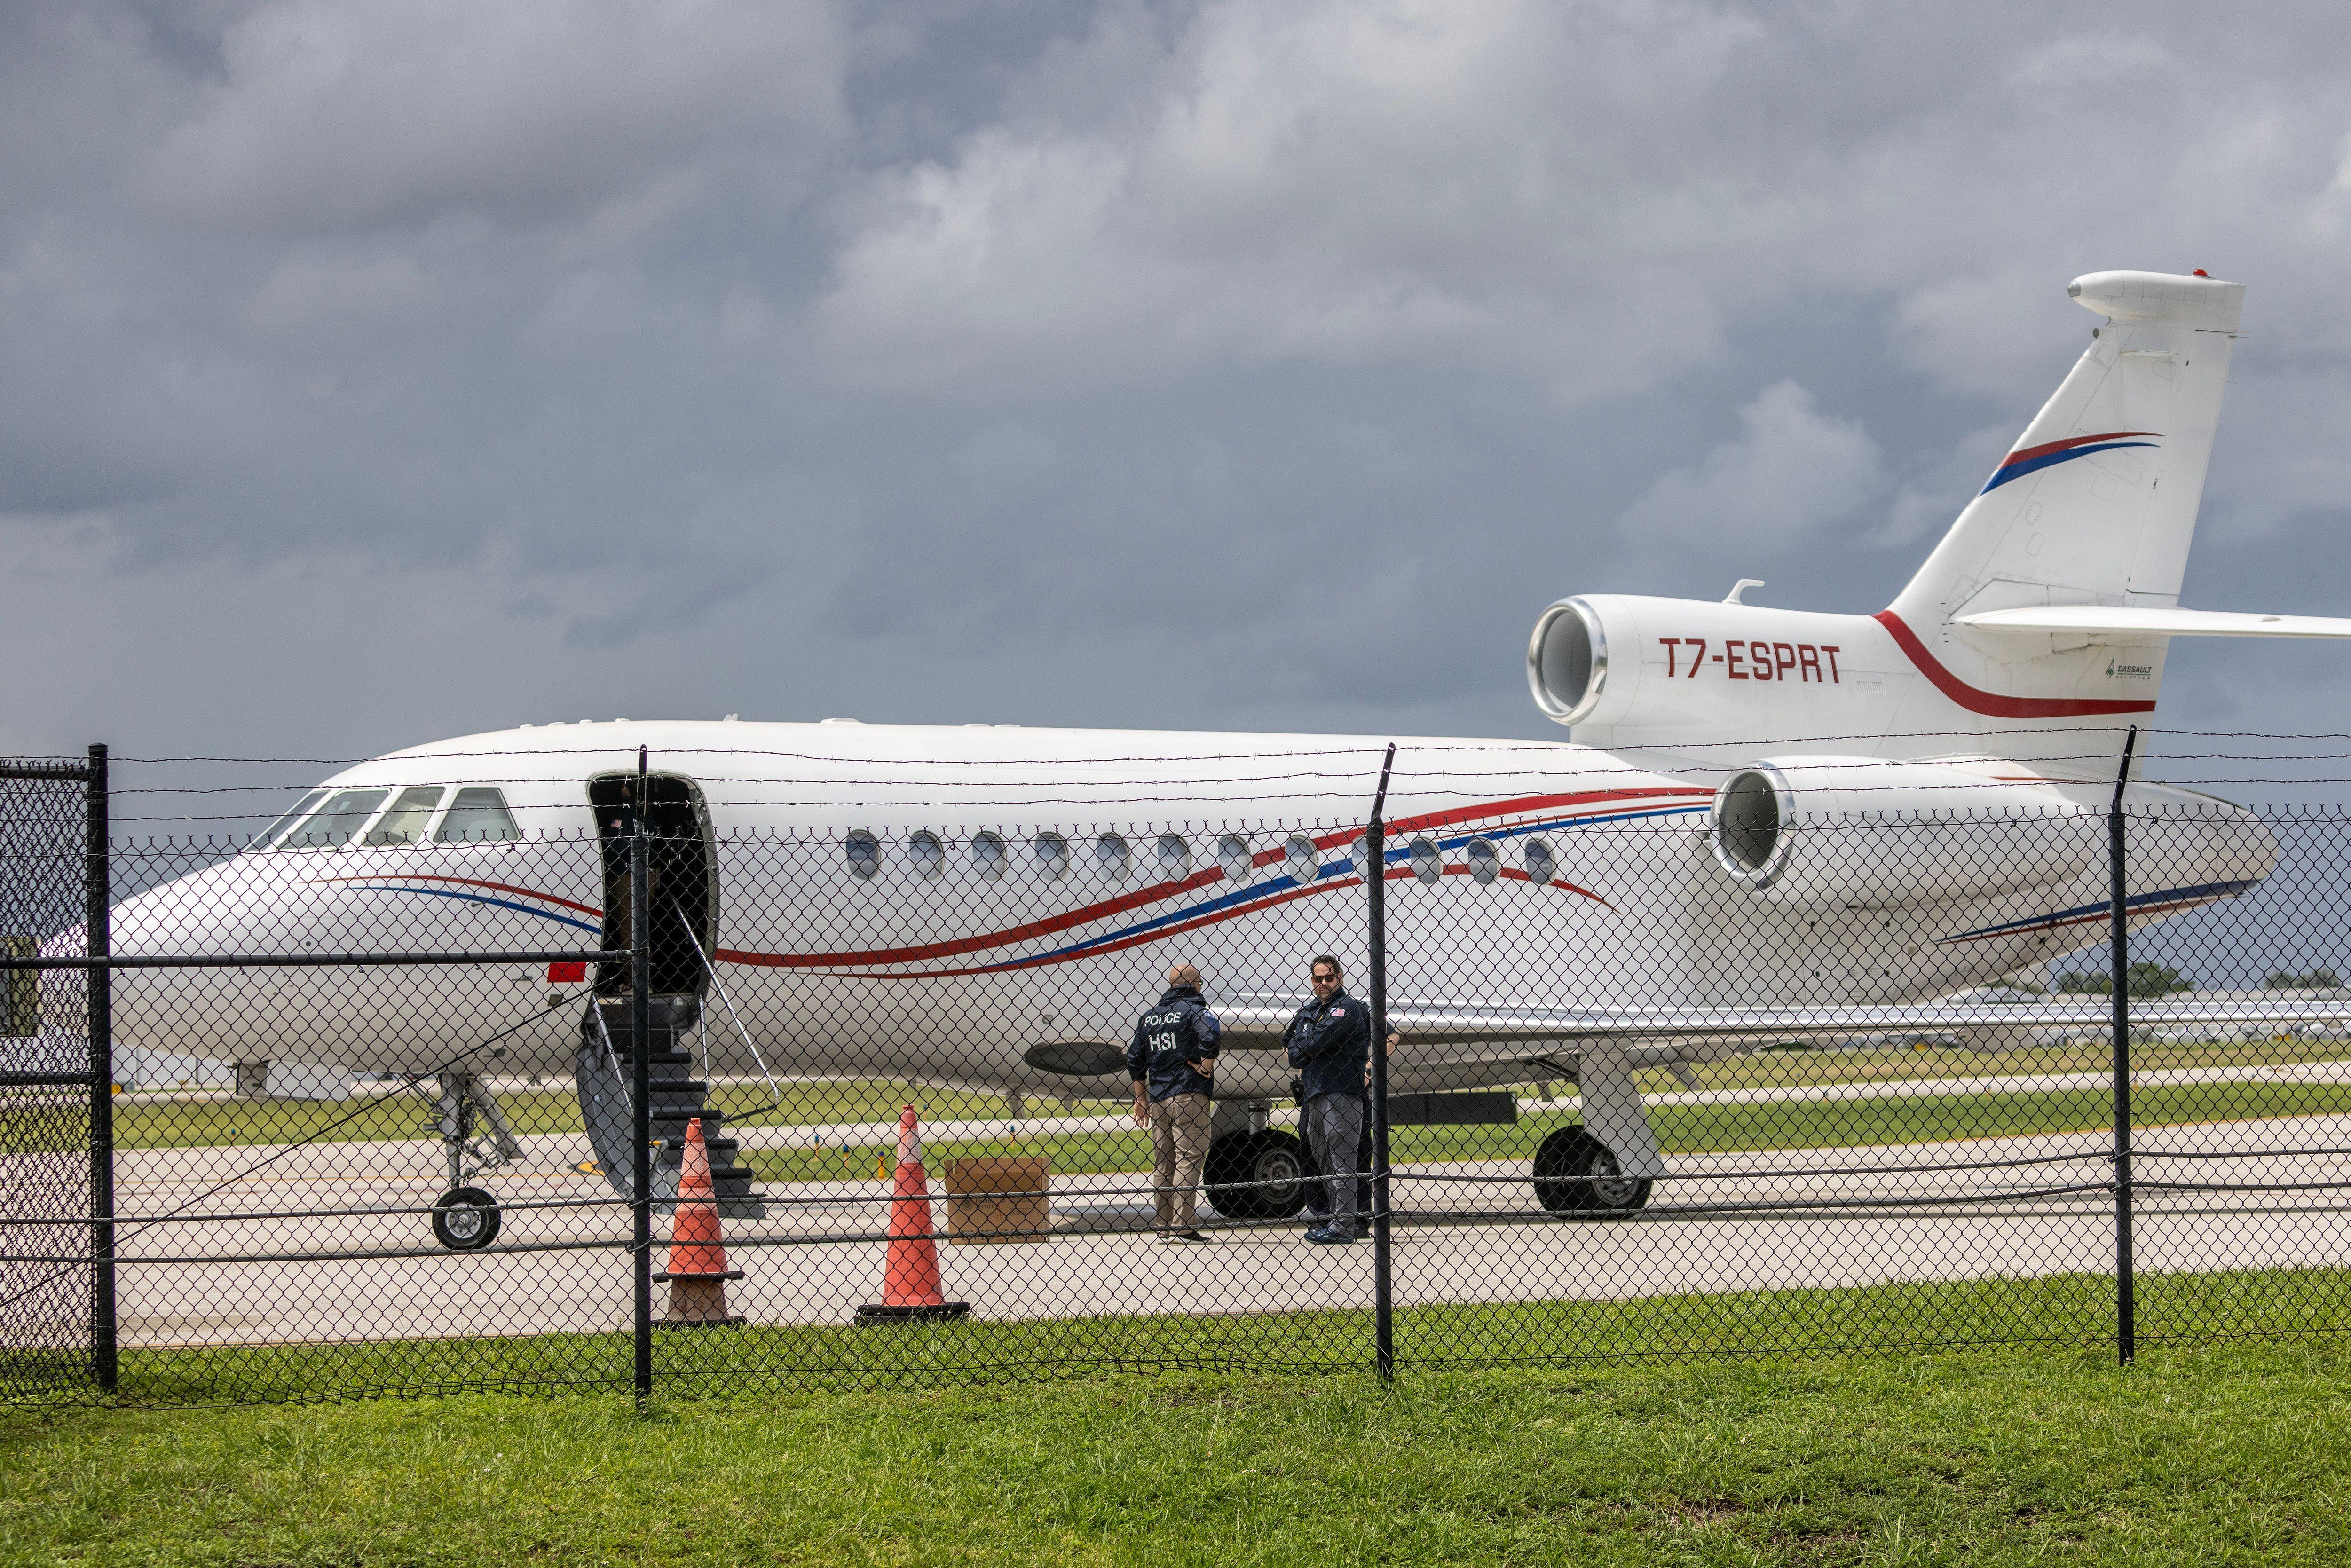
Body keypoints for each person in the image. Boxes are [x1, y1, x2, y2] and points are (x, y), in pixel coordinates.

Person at [1128, 962, 1222, 1243]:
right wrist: (1205, 1066)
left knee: (1163, 1161)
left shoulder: (1149, 1017)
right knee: (1189, 1157)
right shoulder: (1195, 1010)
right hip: (1188, 1092)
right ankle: (1183, 1225)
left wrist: (1140, 1097)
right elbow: (1212, 1035)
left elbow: (1135, 1058)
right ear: (1196, 985)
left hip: (1157, 1097)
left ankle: (1164, 1225)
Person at [1282, 954, 1371, 1244]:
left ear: (1340, 978)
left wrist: (1307, 1048)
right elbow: (1289, 1043)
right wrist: (1306, 1049)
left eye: (1329, 978)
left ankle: (1345, 1226)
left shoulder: (1348, 1009)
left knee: (1343, 1161)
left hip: (1342, 1093)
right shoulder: (1308, 1012)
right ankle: (1336, 1220)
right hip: (1314, 1094)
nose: (1323, 984)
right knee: (1324, 1161)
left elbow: (1316, 1041)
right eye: (1318, 978)